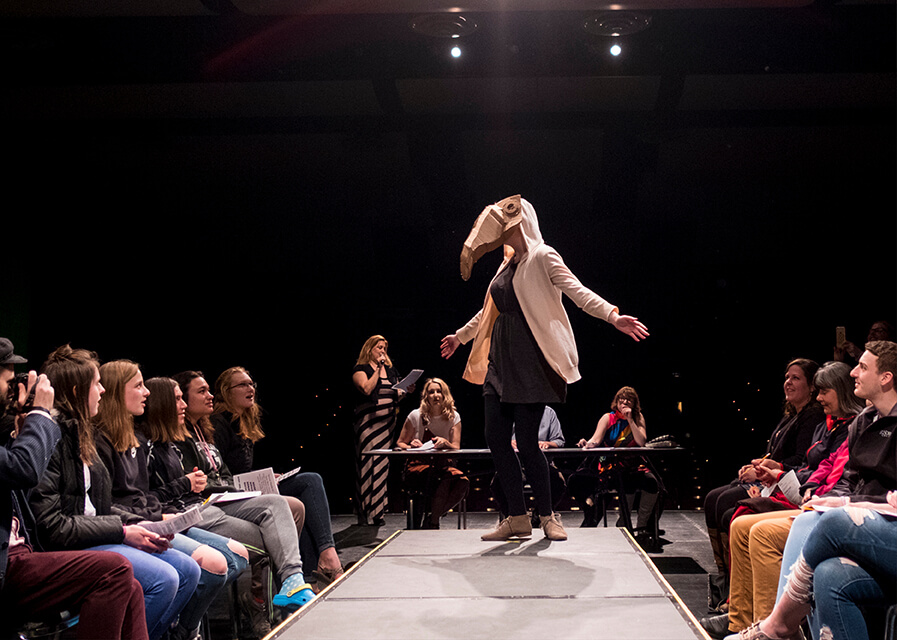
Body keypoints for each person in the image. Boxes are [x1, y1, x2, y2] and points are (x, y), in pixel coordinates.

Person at [440, 195, 649, 542]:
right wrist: (461, 337)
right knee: (495, 437)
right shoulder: (505, 265)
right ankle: (517, 517)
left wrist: (613, 316)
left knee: (527, 440)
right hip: (499, 360)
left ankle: (547, 515)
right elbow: (489, 310)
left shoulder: (543, 255)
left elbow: (578, 291)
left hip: (531, 360)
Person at [729, 340, 897, 640]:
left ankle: (778, 623)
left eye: (862, 367)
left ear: (886, 378)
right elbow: (848, 481)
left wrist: (845, 502)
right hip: (866, 520)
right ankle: (777, 628)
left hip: (886, 525)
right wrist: (827, 498)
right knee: (827, 571)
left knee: (830, 521)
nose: (854, 372)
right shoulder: (862, 424)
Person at [28, 345, 199, 640]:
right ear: (76, 390)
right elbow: (52, 526)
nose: (103, 390)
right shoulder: (51, 439)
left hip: (95, 532)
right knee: (165, 578)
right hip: (71, 545)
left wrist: (136, 524)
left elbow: (97, 506)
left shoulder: (82, 434)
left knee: (188, 570)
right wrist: (122, 531)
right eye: (97, 384)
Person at [0, 339, 149, 640]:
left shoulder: (62, 433)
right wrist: (41, 413)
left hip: (24, 553)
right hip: (11, 564)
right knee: (118, 569)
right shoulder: (49, 431)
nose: (12, 387)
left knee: (131, 585)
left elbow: (96, 504)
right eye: (7, 380)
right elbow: (24, 469)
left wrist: (137, 521)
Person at [700, 361, 861, 638]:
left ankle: (772, 629)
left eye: (824, 391)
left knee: (754, 527)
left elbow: (838, 477)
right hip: (808, 497)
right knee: (736, 521)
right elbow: (818, 468)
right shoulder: (828, 425)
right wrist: (783, 476)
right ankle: (740, 620)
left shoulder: (854, 426)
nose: (820, 397)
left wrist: (794, 482)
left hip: (828, 507)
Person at [94, 360, 250, 640]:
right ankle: (179, 630)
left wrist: (166, 514)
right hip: (132, 525)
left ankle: (183, 628)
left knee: (237, 555)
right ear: (119, 393)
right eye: (138, 386)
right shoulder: (106, 442)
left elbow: (144, 496)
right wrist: (163, 513)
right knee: (202, 568)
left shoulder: (133, 440)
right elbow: (107, 505)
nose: (146, 393)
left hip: (159, 518)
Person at [171, 370, 315, 614]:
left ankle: (292, 582)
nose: (210, 396)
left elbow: (223, 472)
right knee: (277, 533)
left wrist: (229, 487)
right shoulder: (179, 436)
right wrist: (218, 485)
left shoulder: (204, 431)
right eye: (202, 391)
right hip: (203, 508)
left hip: (224, 499)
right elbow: (193, 484)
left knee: (280, 504)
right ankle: (264, 605)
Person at [703, 358, 824, 612]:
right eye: (786, 377)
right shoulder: (791, 415)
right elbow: (777, 455)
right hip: (772, 478)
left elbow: (799, 461)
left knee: (727, 503)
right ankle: (725, 580)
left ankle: (735, 593)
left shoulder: (812, 417)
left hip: (785, 485)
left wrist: (764, 472)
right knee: (713, 497)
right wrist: (759, 464)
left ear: (812, 386)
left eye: (795, 378)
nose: (788, 383)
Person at [211, 366, 343, 588]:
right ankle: (323, 565)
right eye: (242, 384)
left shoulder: (244, 420)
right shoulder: (218, 424)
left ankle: (321, 563)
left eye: (251, 384)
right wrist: (254, 482)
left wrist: (266, 477)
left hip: (249, 488)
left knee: (310, 481)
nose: (250, 388)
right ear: (226, 391)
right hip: (234, 496)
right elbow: (219, 474)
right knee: (303, 493)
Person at [567, 386, 660, 541]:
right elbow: (595, 439)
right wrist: (587, 443)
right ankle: (624, 522)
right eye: (621, 399)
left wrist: (630, 420)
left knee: (652, 483)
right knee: (627, 483)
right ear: (616, 402)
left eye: (628, 400)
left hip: (636, 464)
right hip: (612, 465)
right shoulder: (607, 418)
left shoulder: (638, 418)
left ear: (634, 403)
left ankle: (642, 526)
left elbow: (641, 441)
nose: (624, 402)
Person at [351, 335, 414, 526]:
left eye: (385, 347)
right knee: (366, 465)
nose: (383, 351)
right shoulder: (361, 369)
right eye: (379, 347)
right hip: (368, 426)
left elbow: (394, 395)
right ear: (369, 349)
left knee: (381, 467)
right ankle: (363, 512)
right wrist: (378, 368)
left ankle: (378, 512)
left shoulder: (391, 370)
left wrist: (406, 390)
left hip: (387, 426)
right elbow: (367, 389)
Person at [395, 377, 469, 529]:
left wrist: (445, 443)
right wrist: (411, 446)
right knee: (443, 478)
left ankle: (433, 517)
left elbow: (456, 446)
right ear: (426, 396)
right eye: (431, 392)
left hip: (442, 465)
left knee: (462, 480)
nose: (435, 395)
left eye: (439, 391)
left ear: (444, 394)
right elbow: (400, 443)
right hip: (418, 465)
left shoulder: (454, 416)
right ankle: (434, 523)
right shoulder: (416, 415)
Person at [489, 405, 567, 523]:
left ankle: (538, 516)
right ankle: (515, 515)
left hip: (543, 464)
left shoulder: (548, 412)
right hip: (515, 464)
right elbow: (495, 439)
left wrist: (547, 444)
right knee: (497, 483)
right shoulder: (508, 410)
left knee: (558, 482)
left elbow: (559, 440)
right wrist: (508, 442)